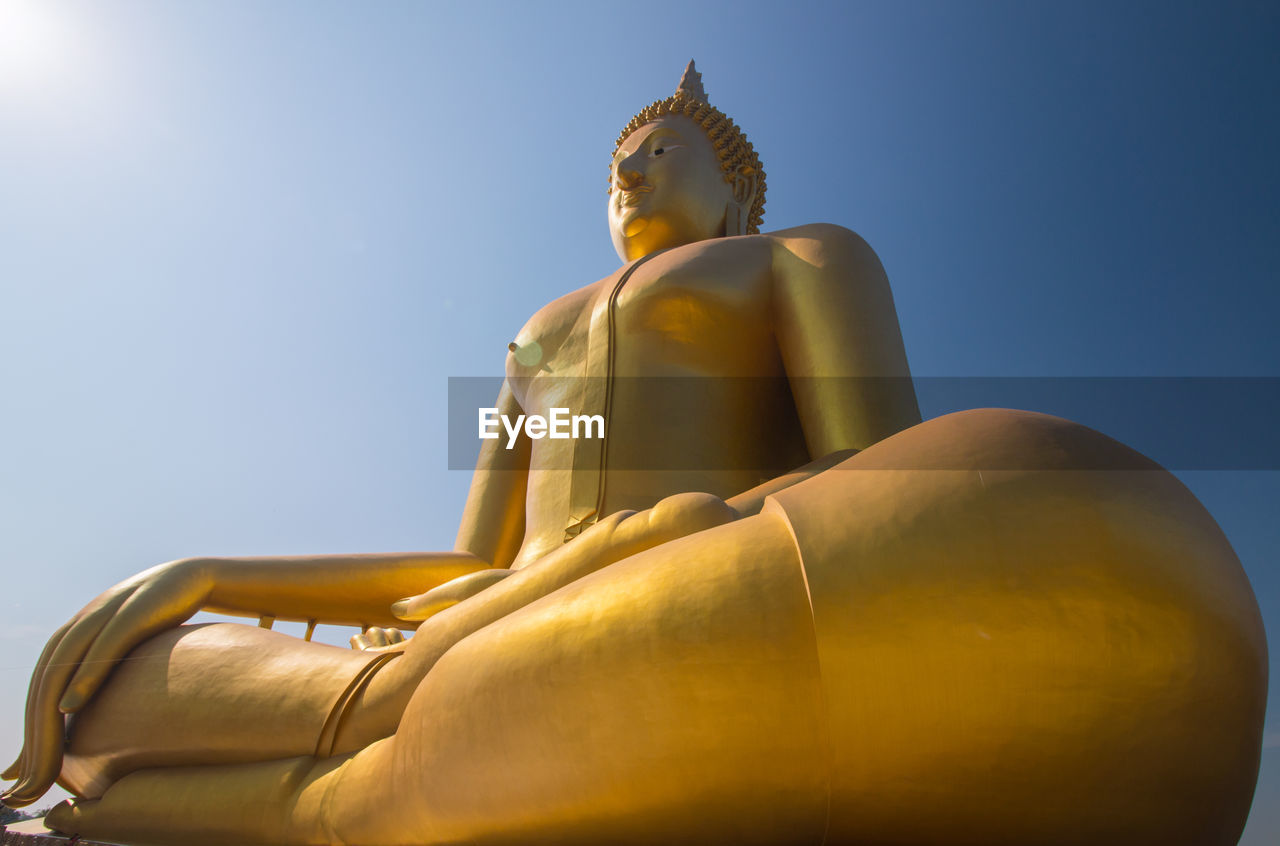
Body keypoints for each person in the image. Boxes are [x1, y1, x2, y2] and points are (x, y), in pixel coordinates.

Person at [3, 63, 1267, 846]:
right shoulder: (536, 343)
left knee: (1052, 509)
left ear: (735, 190)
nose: (631, 166)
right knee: (127, 677)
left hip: (679, 591)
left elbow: (882, 481)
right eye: (622, 158)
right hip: (495, 634)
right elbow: (457, 564)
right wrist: (210, 576)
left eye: (666, 149)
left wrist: (650, 542)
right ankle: (374, 758)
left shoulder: (797, 257)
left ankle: (308, 786)